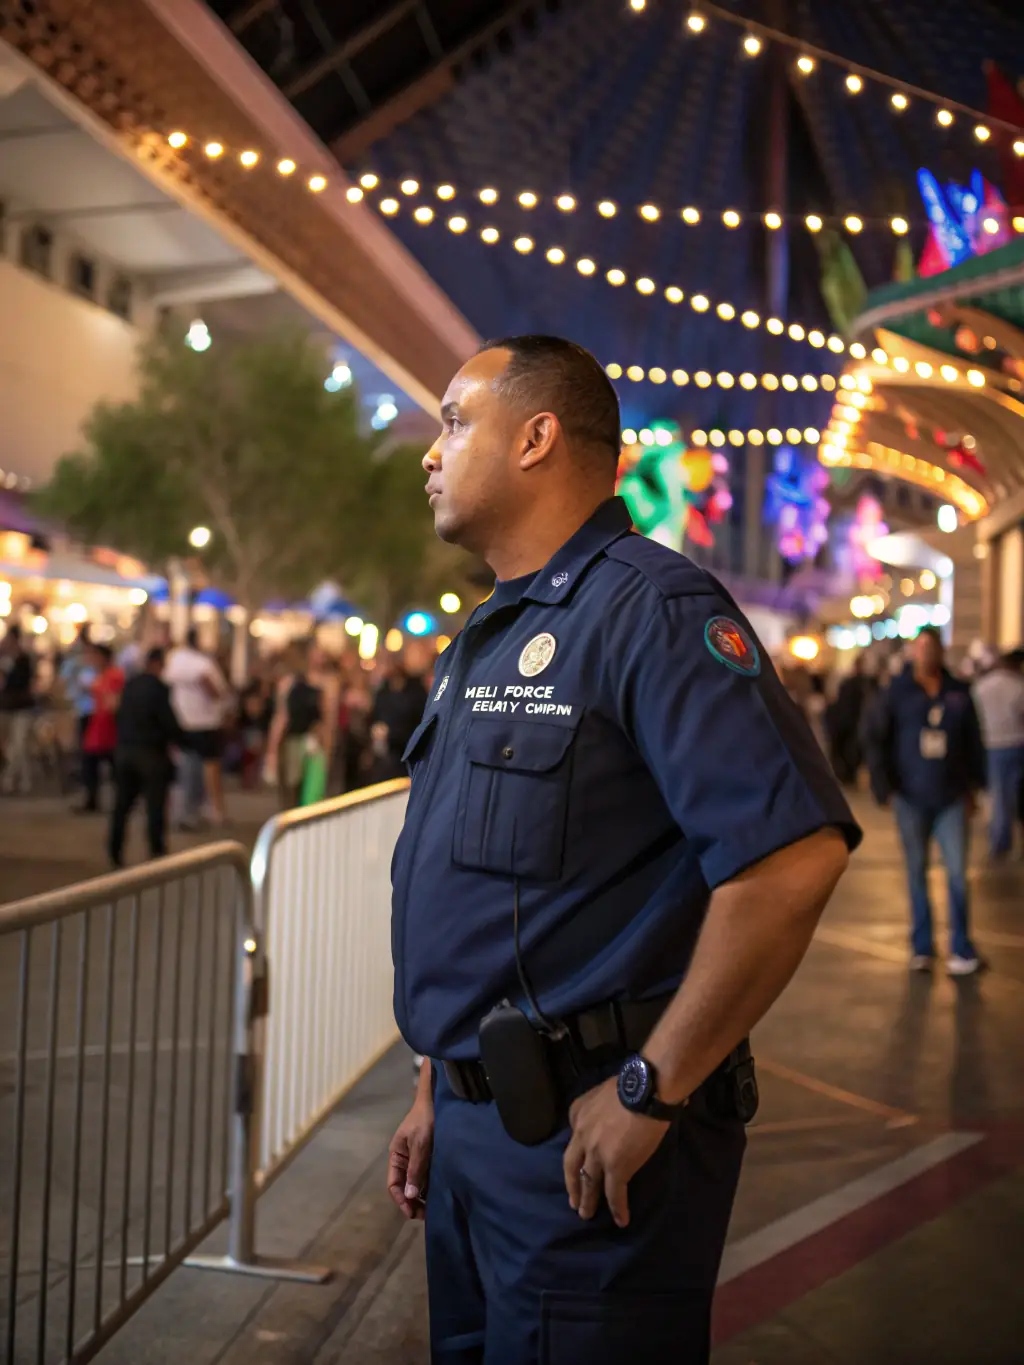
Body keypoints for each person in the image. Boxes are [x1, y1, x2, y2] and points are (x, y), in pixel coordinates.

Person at [386, 335, 860, 1365]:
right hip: (475, 1134)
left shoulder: (650, 609)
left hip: (587, 1140)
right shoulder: (485, 638)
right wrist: (436, 1089)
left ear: (536, 437)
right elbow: (477, 891)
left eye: (454, 421)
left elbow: (790, 856)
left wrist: (656, 1083)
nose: (430, 452)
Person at [863, 627, 987, 975]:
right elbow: (877, 737)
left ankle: (961, 947)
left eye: (932, 647)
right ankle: (922, 946)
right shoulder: (897, 693)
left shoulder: (958, 692)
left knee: (958, 874)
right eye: (920, 648)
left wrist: (975, 787)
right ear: (913, 652)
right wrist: (883, 786)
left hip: (951, 796)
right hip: (911, 796)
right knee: (916, 873)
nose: (927, 653)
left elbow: (973, 740)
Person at [109, 646, 183, 866]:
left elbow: (119, 714)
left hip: (125, 751)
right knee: (154, 805)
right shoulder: (159, 689)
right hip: (151, 753)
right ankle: (156, 849)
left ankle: (115, 849)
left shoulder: (130, 685)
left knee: (122, 805)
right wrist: (180, 740)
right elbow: (168, 721)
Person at [164, 628, 229, 827]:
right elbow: (211, 686)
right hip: (205, 722)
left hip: (182, 720)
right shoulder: (201, 663)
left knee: (186, 766)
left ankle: (187, 809)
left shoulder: (175, 660)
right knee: (210, 766)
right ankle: (215, 809)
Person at [972, 649, 1024, 860]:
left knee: (998, 796)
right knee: (1013, 796)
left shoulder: (982, 686)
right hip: (1015, 743)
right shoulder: (1017, 686)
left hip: (991, 744)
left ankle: (1000, 840)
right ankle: (1004, 840)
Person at [79, 644, 125, 813]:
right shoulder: (101, 675)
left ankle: (119, 800)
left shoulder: (114, 675)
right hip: (98, 724)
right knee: (91, 763)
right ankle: (92, 799)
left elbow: (115, 701)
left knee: (112, 765)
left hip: (109, 727)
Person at [368, 658, 428, 782]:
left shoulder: (416, 692)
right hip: (384, 757)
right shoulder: (383, 692)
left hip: (407, 757)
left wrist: (392, 734)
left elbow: (420, 724)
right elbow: (374, 717)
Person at [0, 624, 36, 795]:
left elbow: (24, 682)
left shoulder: (23, 660)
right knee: (12, 747)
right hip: (6, 706)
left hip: (21, 707)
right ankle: (24, 780)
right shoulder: (3, 659)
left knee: (19, 745)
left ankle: (10, 780)